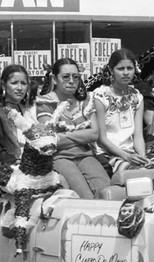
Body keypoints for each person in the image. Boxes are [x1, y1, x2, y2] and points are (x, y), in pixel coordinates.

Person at [36, 58, 111, 199]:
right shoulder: (44, 102)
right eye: (66, 76)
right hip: (59, 157)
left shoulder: (85, 101)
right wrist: (82, 135)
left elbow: (94, 134)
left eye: (75, 77)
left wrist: (63, 136)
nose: (71, 81)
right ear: (54, 79)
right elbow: (49, 140)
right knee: (84, 196)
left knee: (106, 191)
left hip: (86, 155)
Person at [88, 48, 150, 176]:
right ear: (111, 70)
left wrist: (142, 157)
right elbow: (102, 138)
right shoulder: (100, 96)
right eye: (121, 69)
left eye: (130, 68)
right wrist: (126, 157)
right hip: (107, 154)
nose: (126, 73)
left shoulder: (137, 96)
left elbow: (138, 135)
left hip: (131, 153)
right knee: (136, 175)